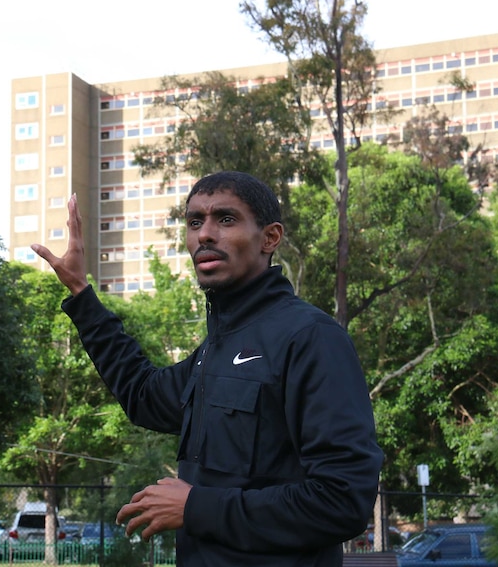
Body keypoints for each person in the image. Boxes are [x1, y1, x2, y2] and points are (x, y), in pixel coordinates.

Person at [31, 171, 383, 566]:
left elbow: (343, 500)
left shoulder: (310, 338)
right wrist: (82, 295)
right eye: (195, 221)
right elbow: (143, 394)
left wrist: (197, 507)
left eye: (226, 219)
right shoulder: (215, 350)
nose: (205, 235)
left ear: (270, 238)